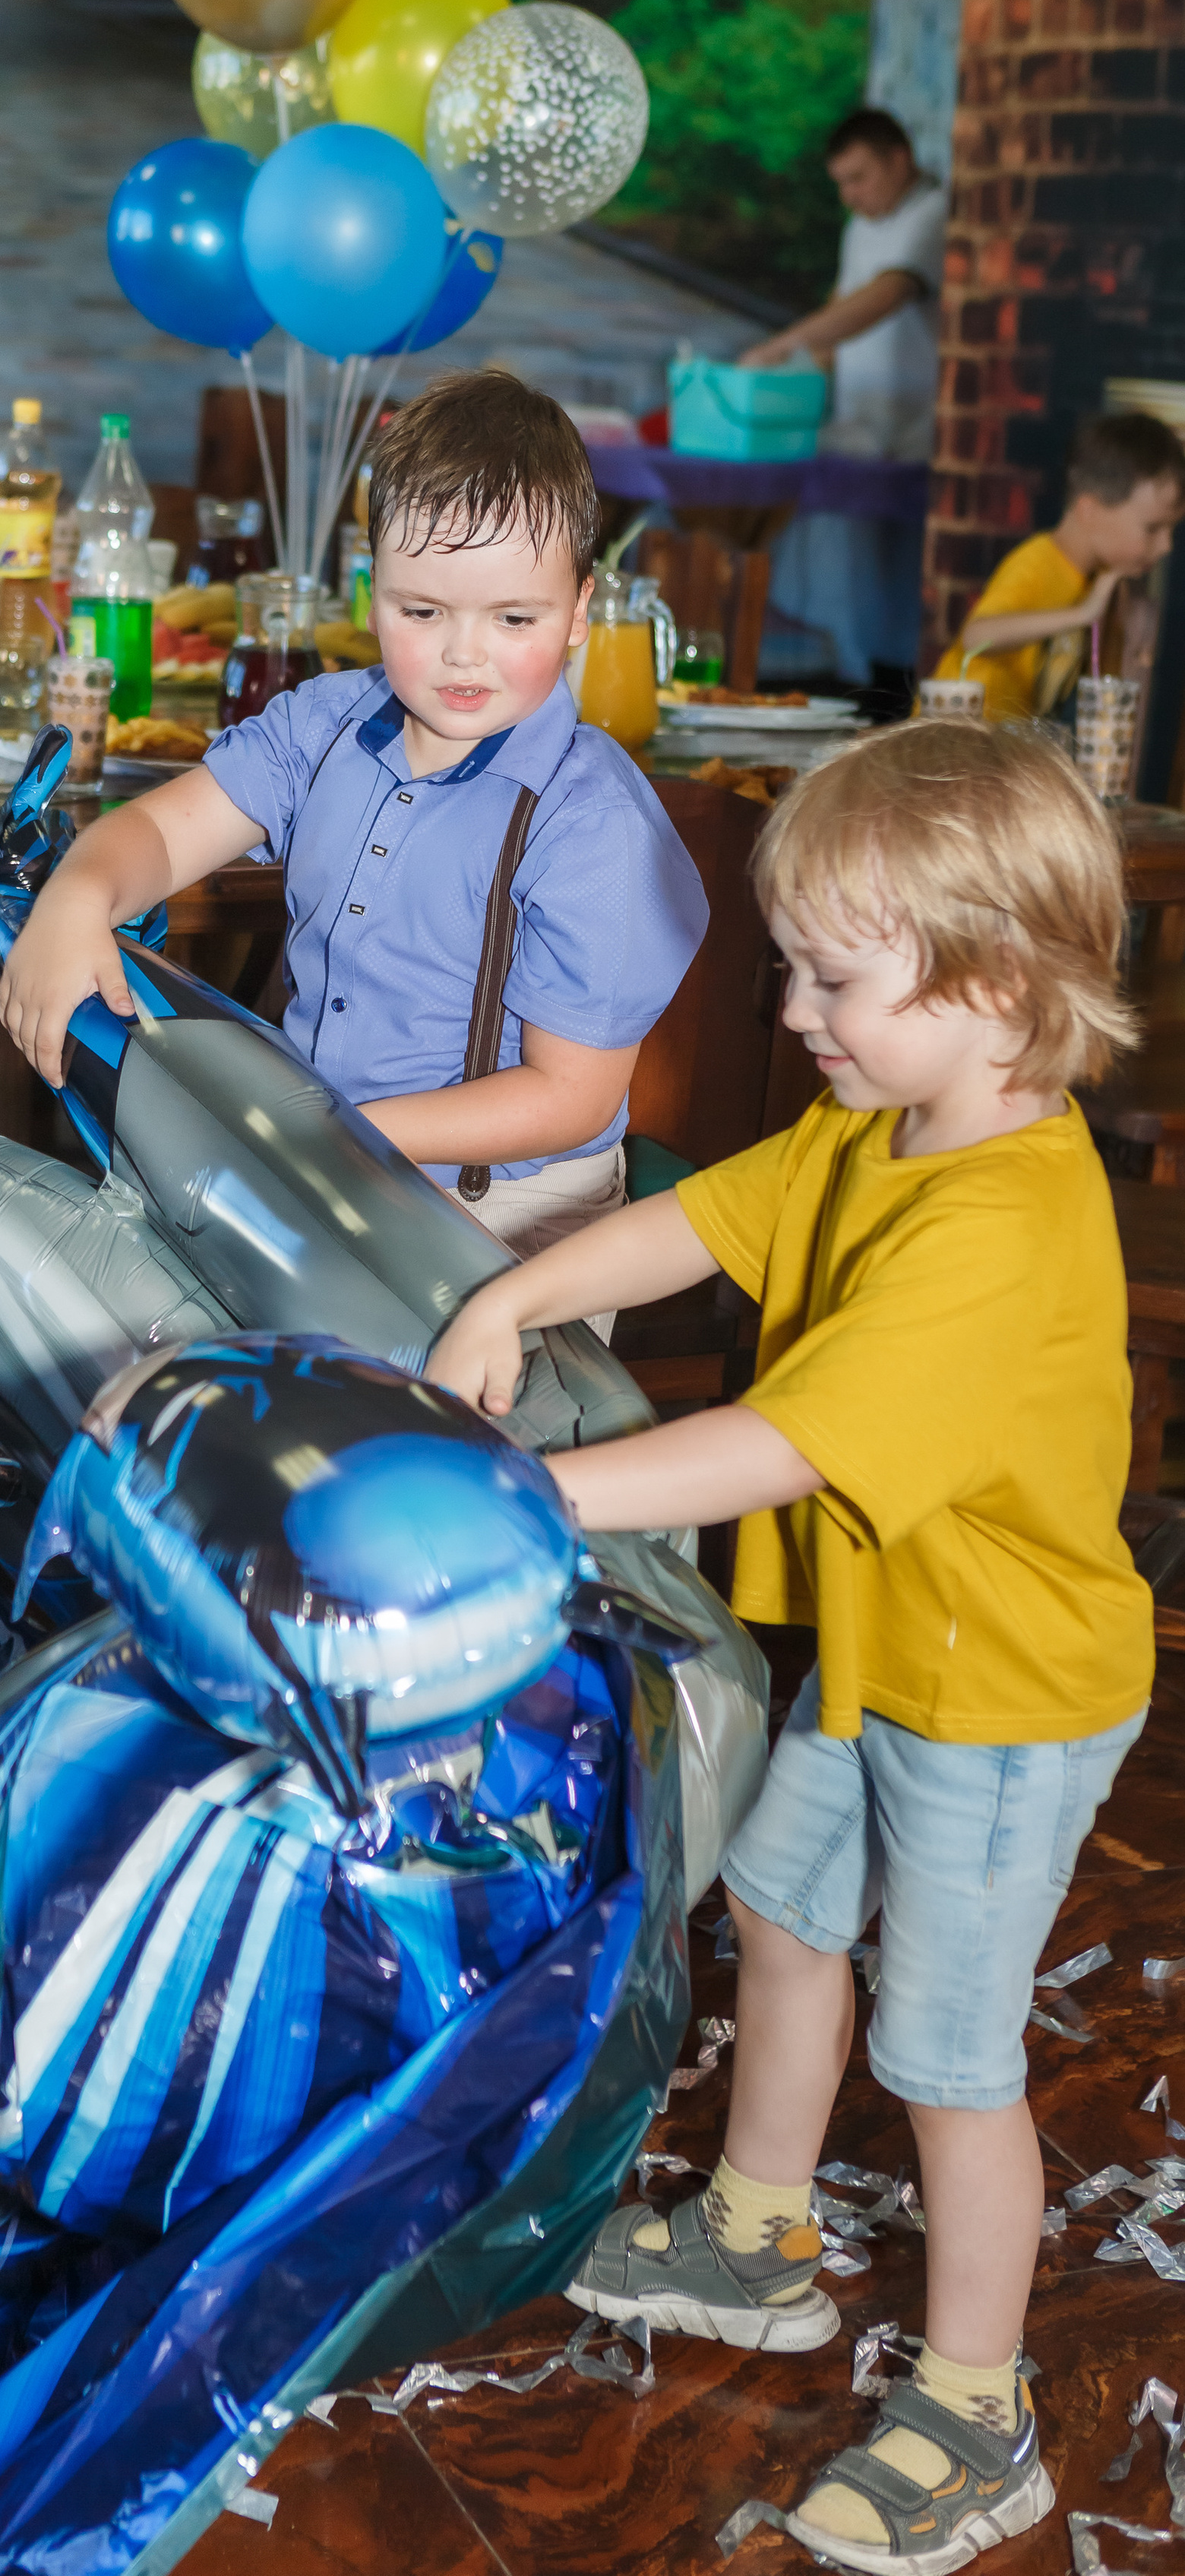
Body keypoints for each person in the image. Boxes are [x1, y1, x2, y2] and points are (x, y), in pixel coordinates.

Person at [431, 718, 1148, 2573]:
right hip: (890, 1643)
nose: (797, 1005)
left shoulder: (998, 1224)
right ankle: (757, 2235)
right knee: (776, 1897)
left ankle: (980, 2411)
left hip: (996, 1695)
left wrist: (543, 1495)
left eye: (834, 973)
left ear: (991, 983)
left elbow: (778, 1441)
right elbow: (695, 1217)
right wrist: (517, 1283)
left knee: (948, 2053)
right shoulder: (873, 1125)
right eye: (794, 964)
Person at [0, 369, 708, 1270]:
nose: (463, 652)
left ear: (579, 612)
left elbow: (566, 1097)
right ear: (369, 591)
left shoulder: (592, 826)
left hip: (504, 1221)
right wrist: (77, 896)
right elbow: (166, 832)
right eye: (422, 611)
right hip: (312, 1172)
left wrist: (327, 1135)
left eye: (514, 617)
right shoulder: (324, 724)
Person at [741, 108, 950, 686]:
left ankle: (895, 686)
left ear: (899, 160)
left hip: (917, 431)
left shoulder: (936, 213)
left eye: (859, 179)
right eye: (842, 184)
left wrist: (780, 348)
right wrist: (785, 383)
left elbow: (888, 294)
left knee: (909, 579)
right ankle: (860, 680)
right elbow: (840, 318)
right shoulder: (859, 227)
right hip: (859, 427)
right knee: (860, 574)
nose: (850, 195)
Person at [930, 409, 1185, 725]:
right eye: (1152, 529)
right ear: (1089, 511)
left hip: (1007, 752)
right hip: (953, 747)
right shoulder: (1039, 562)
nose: (1166, 546)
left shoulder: (1097, 580)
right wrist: (1082, 614)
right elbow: (975, 636)